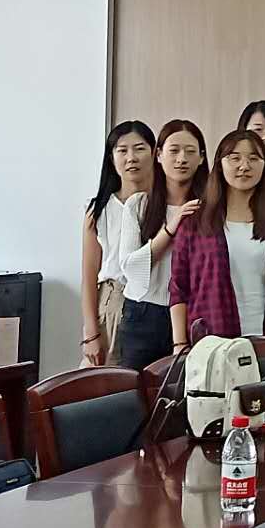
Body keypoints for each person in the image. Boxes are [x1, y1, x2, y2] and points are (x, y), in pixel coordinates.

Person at [168, 129, 265, 354]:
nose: (244, 166)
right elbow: (179, 287)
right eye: (235, 158)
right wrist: (180, 343)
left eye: (253, 158)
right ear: (220, 164)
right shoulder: (196, 221)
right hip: (211, 342)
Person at [115, 120, 208, 370]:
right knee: (135, 388)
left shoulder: (210, 208)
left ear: (201, 158)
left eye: (190, 151)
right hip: (143, 314)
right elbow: (130, 267)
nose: (181, 159)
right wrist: (170, 229)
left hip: (194, 315)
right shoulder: (139, 204)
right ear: (159, 155)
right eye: (174, 150)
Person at [81, 121, 155, 366]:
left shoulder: (164, 204)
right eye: (122, 150)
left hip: (153, 302)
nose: (131, 157)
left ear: (155, 153)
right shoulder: (98, 209)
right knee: (102, 380)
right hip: (112, 301)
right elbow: (89, 275)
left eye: (140, 148)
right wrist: (90, 332)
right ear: (111, 158)